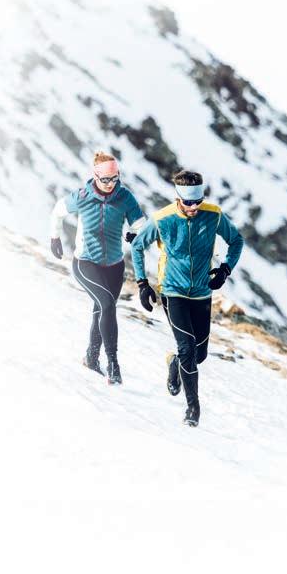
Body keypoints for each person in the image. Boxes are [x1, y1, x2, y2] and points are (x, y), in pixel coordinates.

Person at [131, 170, 244, 426]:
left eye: (198, 201)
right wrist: (142, 283)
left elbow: (237, 240)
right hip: (173, 291)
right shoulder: (162, 219)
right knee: (188, 348)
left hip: (202, 292)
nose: (194, 207)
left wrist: (225, 269)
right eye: (188, 202)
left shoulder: (213, 215)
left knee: (199, 355)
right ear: (178, 197)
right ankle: (193, 408)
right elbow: (137, 246)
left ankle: (175, 362)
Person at [50, 151, 146, 384]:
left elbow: (140, 223)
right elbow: (57, 211)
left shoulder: (124, 197)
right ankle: (113, 363)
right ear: (95, 176)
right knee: (107, 304)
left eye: (114, 178)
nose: (110, 184)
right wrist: (55, 237)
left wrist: (134, 233)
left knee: (101, 310)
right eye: (105, 180)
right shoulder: (82, 196)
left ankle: (91, 359)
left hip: (114, 266)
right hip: (85, 263)